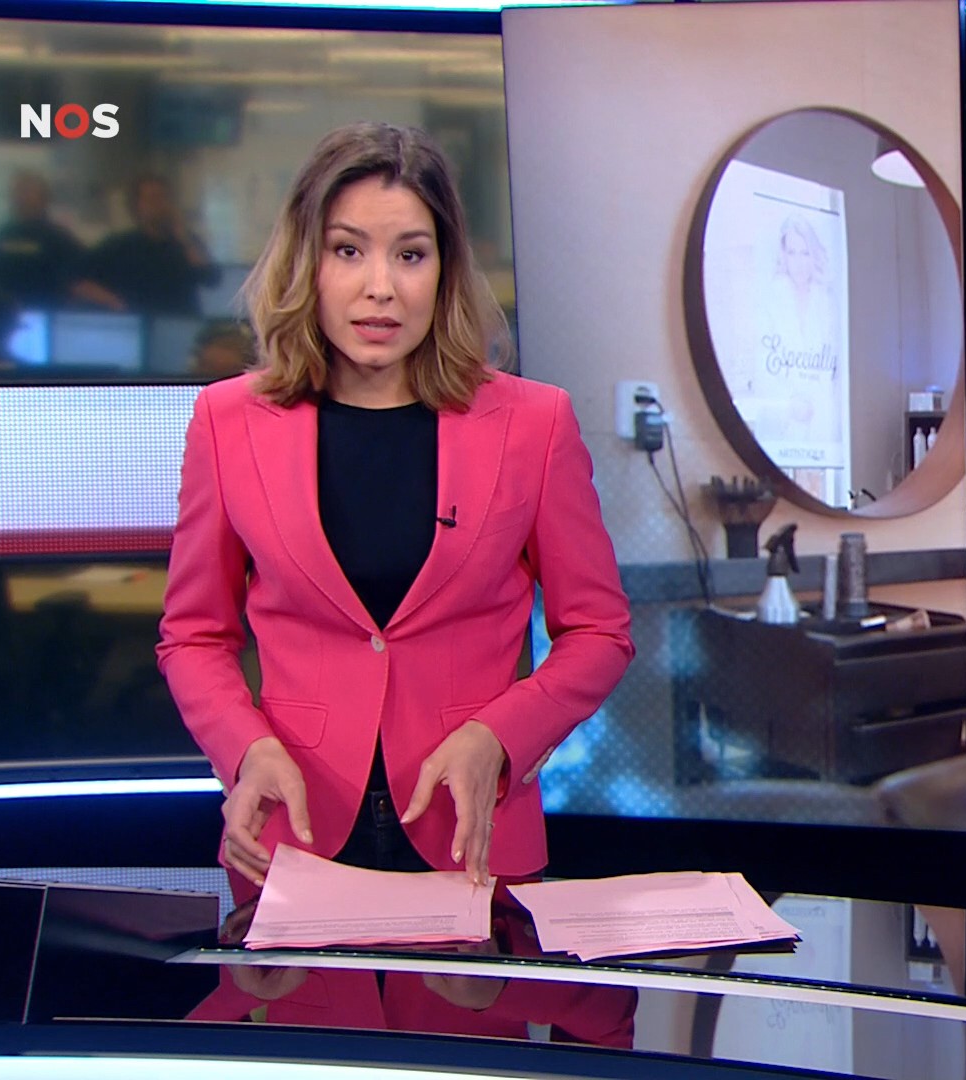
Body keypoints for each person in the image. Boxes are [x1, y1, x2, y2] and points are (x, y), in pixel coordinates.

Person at [156, 122, 634, 1039]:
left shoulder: (533, 424)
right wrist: (244, 750)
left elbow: (599, 633)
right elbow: (194, 635)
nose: (380, 286)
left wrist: (500, 736)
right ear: (308, 263)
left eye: (410, 254)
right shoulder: (228, 421)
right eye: (349, 251)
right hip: (292, 844)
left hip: (472, 846)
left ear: (445, 272)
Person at [0, 169, 119, 311]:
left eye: (27, 192)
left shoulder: (58, 237)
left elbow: (80, 280)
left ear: (45, 198)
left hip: (45, 312)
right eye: (16, 192)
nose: (21, 198)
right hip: (4, 313)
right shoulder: (3, 234)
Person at [87, 173, 220, 316]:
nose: (159, 204)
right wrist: (116, 304)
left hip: (181, 321)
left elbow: (212, 279)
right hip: (140, 321)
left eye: (164, 197)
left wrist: (183, 237)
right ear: (136, 206)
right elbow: (83, 280)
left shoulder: (186, 242)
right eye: (151, 199)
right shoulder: (119, 245)